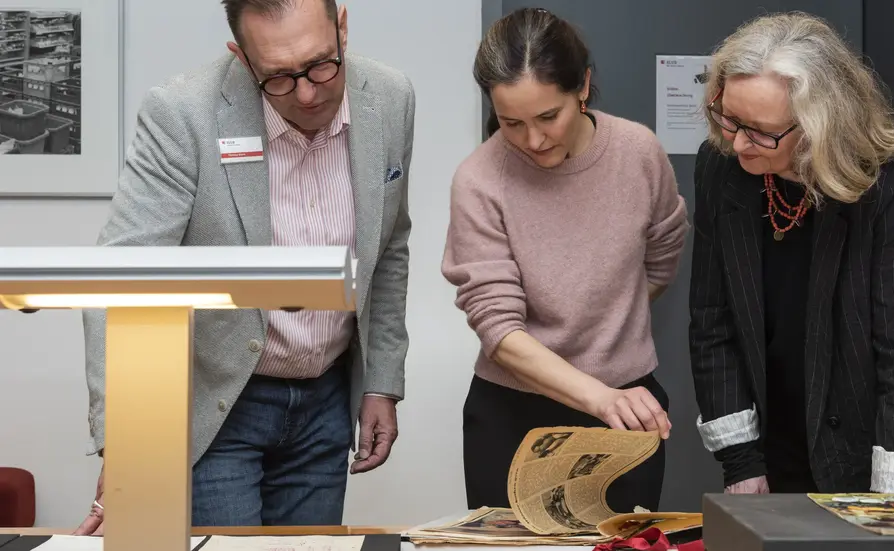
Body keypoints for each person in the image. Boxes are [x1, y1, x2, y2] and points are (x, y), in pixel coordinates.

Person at [74, 0, 414, 530]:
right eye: (277, 77)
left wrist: (380, 383)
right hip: (218, 401)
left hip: (327, 398)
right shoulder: (183, 113)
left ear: (342, 26)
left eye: (323, 64)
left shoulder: (391, 99)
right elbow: (123, 277)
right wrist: (128, 440)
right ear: (241, 57)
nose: (307, 93)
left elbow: (389, 247)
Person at [688, 11, 894, 495]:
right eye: (728, 117)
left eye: (760, 130)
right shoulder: (720, 169)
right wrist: (741, 461)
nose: (737, 143)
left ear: (819, 123)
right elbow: (714, 323)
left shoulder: (883, 183)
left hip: (875, 443)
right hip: (776, 442)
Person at [441, 7, 689, 511]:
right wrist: (597, 394)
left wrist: (608, 323)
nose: (533, 141)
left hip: (627, 409)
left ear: (583, 87)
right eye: (512, 123)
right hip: (512, 415)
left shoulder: (639, 153)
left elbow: (663, 257)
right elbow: (499, 329)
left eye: (548, 117)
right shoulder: (479, 180)